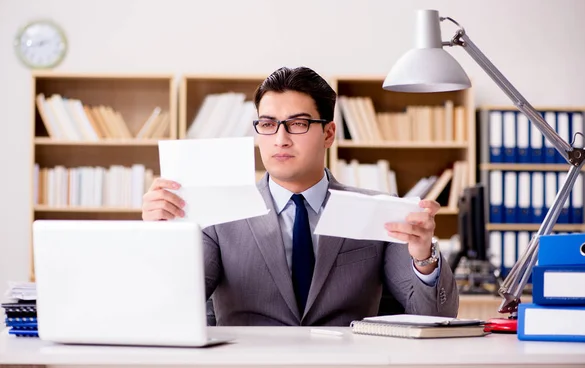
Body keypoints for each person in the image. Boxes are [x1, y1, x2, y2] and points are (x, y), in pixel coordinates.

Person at [142, 66, 459, 326]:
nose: (280, 139)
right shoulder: (219, 212)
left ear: (329, 133)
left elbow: (437, 317)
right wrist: (161, 237)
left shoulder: (378, 209)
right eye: (268, 124)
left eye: (297, 124)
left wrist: (423, 256)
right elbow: (168, 307)